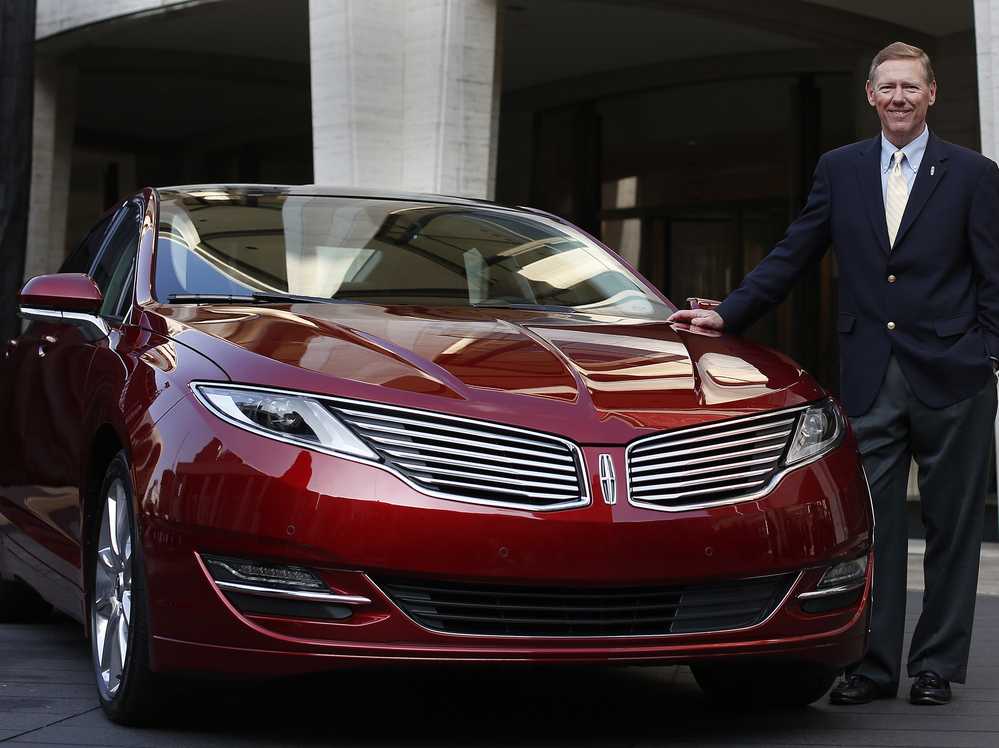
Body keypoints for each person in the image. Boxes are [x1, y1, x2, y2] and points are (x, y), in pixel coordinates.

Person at [668, 42, 999, 706]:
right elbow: (793, 250)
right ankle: (872, 668)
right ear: (871, 96)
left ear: (930, 93)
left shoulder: (972, 173)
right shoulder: (839, 168)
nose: (899, 97)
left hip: (955, 376)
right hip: (871, 373)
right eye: (887, 87)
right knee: (871, 527)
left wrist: (987, 354)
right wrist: (729, 313)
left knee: (953, 526)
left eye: (910, 86)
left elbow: (993, 273)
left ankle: (934, 665)